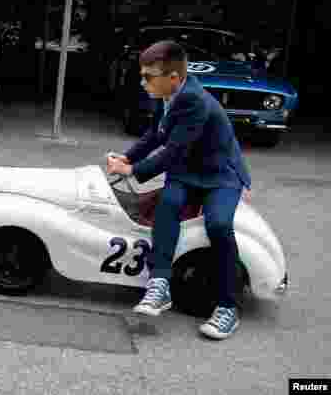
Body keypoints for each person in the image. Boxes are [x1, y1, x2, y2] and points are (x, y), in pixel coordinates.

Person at [106, 39, 253, 340]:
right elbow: (156, 134)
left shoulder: (194, 100)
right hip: (187, 170)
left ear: (173, 77)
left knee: (219, 224)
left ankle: (227, 307)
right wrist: (128, 156)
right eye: (142, 74)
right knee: (168, 205)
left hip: (220, 174)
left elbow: (172, 151)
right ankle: (159, 284)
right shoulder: (167, 93)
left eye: (148, 76)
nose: (142, 81)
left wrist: (133, 170)